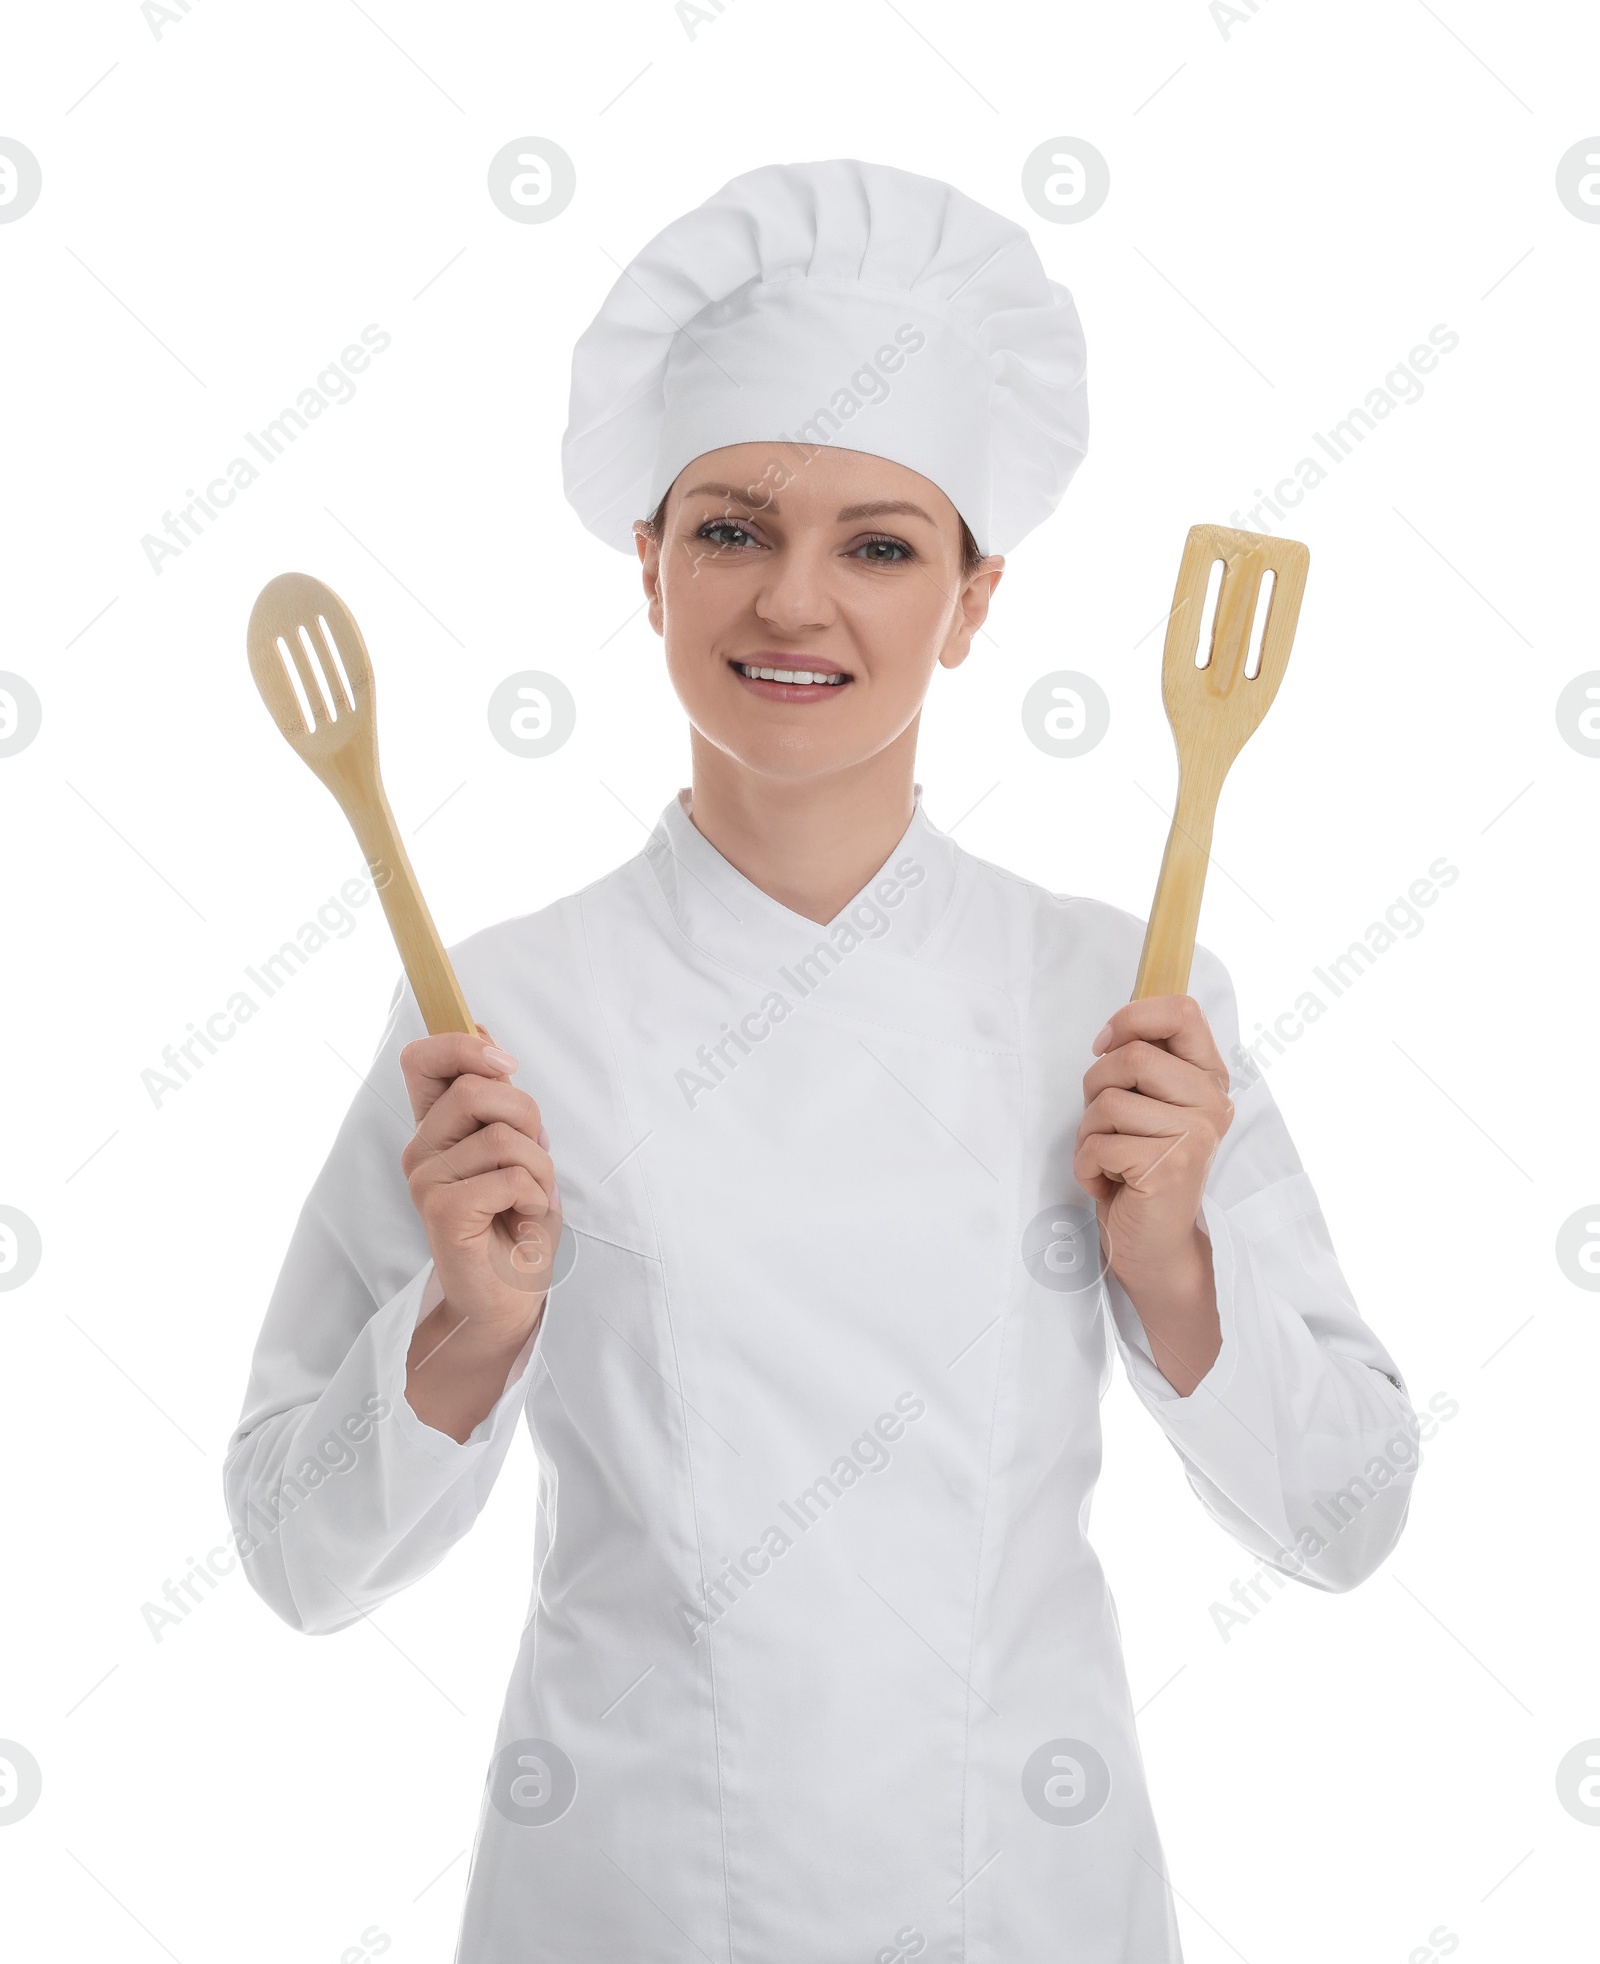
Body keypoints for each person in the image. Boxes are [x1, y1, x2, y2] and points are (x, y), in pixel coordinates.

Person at [224, 159, 1418, 1962]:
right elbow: (293, 1558)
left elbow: (1348, 1516)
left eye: (879, 544)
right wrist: (463, 1331)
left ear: (975, 600)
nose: (795, 602)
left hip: (1023, 1904)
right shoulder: (496, 1015)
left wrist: (1174, 1260)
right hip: (624, 1905)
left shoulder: (1120, 994)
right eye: (730, 528)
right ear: (648, 565)